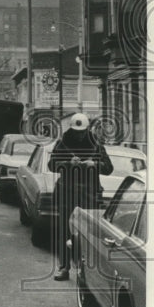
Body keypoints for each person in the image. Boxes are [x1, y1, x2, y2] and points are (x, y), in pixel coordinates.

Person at [47, 113, 113, 280]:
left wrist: (95, 164)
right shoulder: (62, 144)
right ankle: (64, 268)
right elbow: (51, 165)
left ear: (87, 130)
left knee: (90, 233)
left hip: (89, 195)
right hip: (67, 193)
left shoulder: (96, 145)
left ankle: (90, 272)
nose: (79, 135)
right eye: (77, 132)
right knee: (64, 230)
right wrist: (68, 164)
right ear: (71, 129)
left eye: (82, 131)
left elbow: (109, 168)